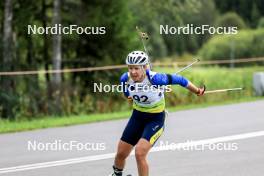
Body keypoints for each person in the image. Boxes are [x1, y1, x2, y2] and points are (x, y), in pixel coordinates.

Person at [109, 51, 205, 176]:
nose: (133, 72)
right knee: (121, 154)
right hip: (137, 117)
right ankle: (117, 174)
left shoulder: (156, 79)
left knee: (139, 153)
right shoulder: (125, 79)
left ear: (145, 67)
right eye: (130, 68)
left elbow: (181, 80)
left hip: (155, 120)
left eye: (136, 68)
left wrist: (197, 91)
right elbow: (128, 96)